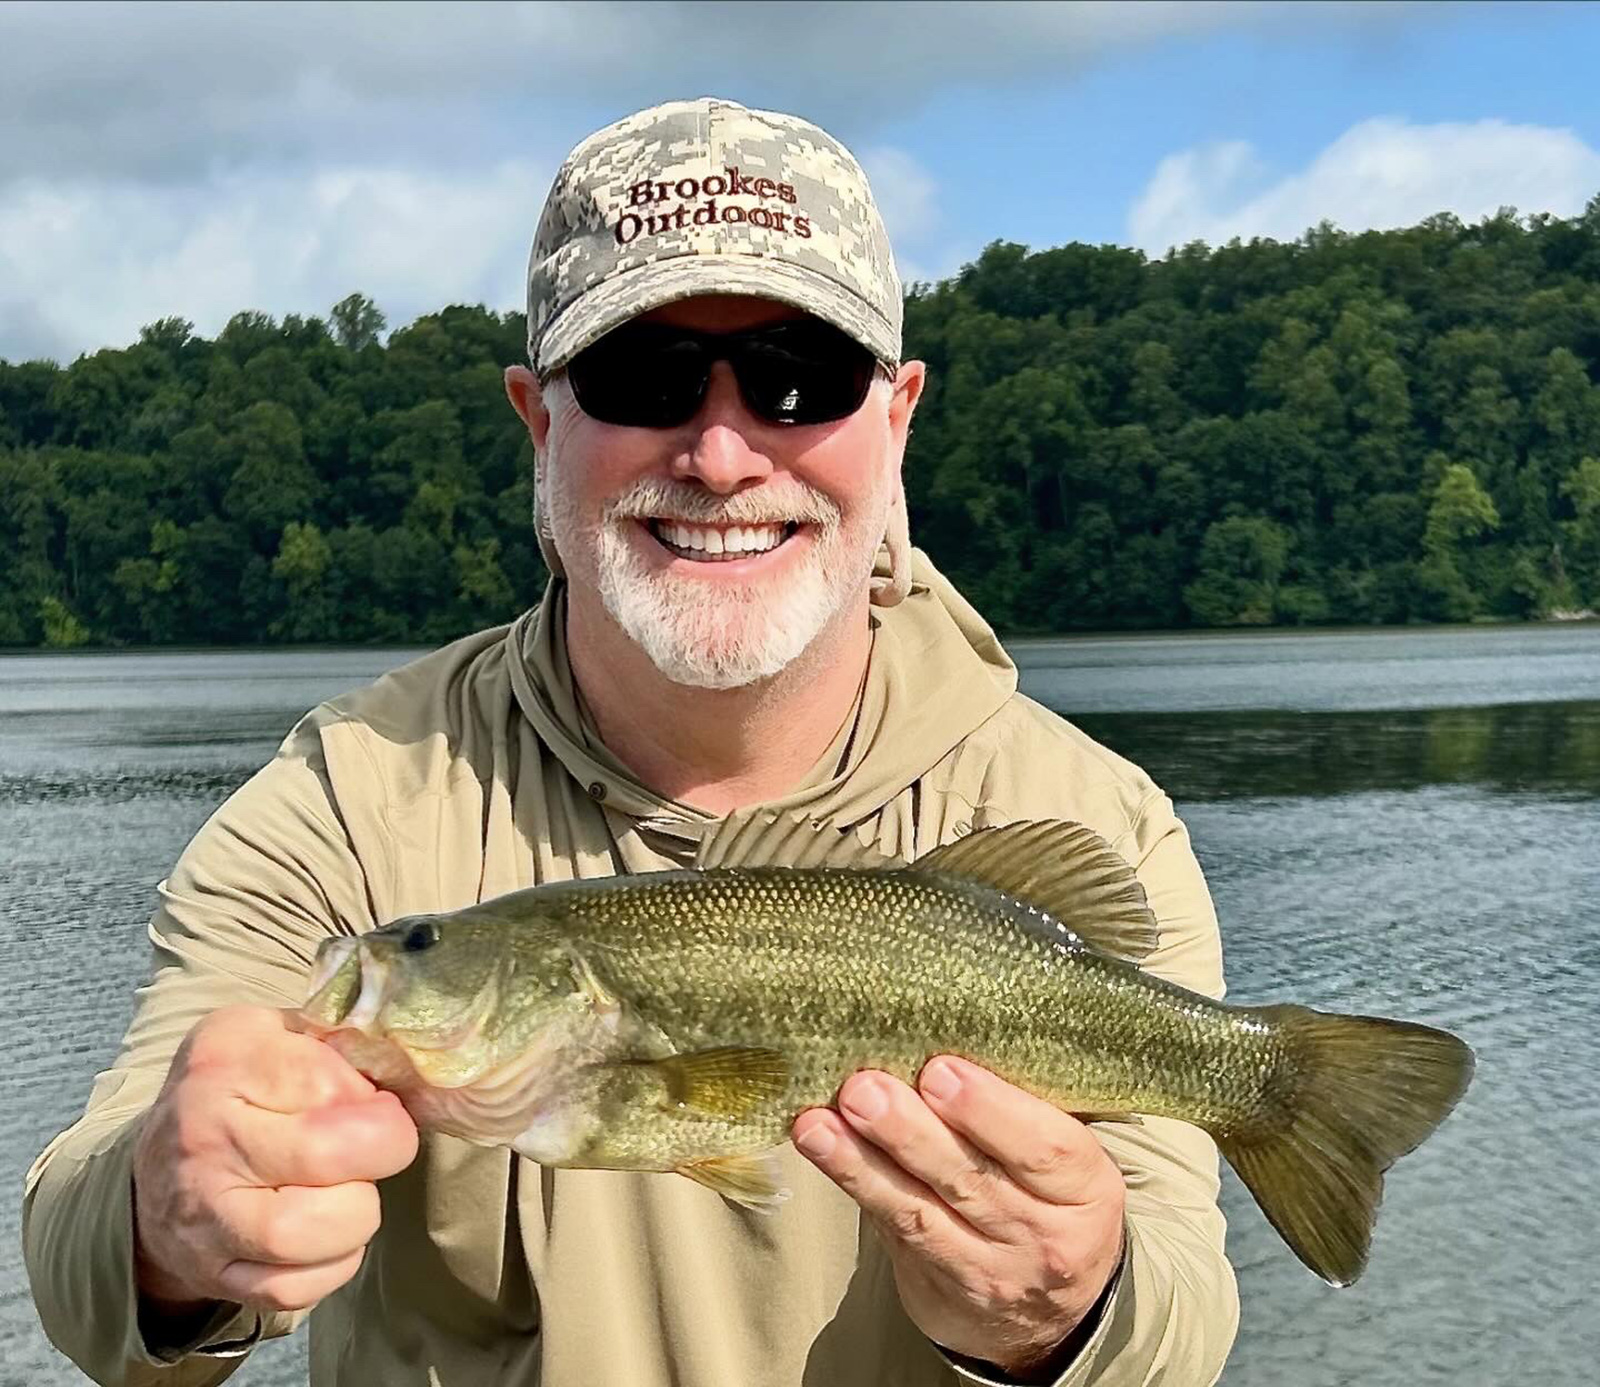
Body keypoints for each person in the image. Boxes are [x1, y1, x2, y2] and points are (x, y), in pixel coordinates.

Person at [24, 97, 1238, 1387]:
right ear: (539, 424)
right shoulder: (352, 798)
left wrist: (1069, 1311)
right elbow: (85, 1275)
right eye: (642, 378)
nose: (720, 453)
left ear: (897, 419)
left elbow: (1180, 1317)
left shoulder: (1089, 815)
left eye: (798, 378)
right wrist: (166, 1223)